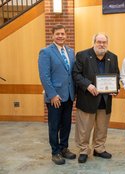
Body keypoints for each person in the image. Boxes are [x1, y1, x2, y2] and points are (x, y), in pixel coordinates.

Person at [72, 33, 120, 163]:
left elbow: (117, 75)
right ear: (93, 42)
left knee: (102, 127)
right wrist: (88, 85)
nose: (101, 44)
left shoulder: (113, 57)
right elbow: (76, 74)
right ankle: (83, 150)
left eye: (104, 42)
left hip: (105, 100)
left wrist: (116, 89)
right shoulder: (82, 55)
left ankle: (99, 149)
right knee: (84, 128)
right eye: (99, 42)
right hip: (88, 98)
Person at [38, 24, 76, 165]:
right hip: (55, 97)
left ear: (66, 35)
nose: (60, 36)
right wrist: (52, 94)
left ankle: (64, 148)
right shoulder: (46, 52)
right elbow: (44, 76)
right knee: (54, 125)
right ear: (52, 35)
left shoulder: (71, 52)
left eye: (63, 34)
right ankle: (55, 152)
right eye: (57, 34)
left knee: (66, 124)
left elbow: (71, 73)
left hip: (69, 95)